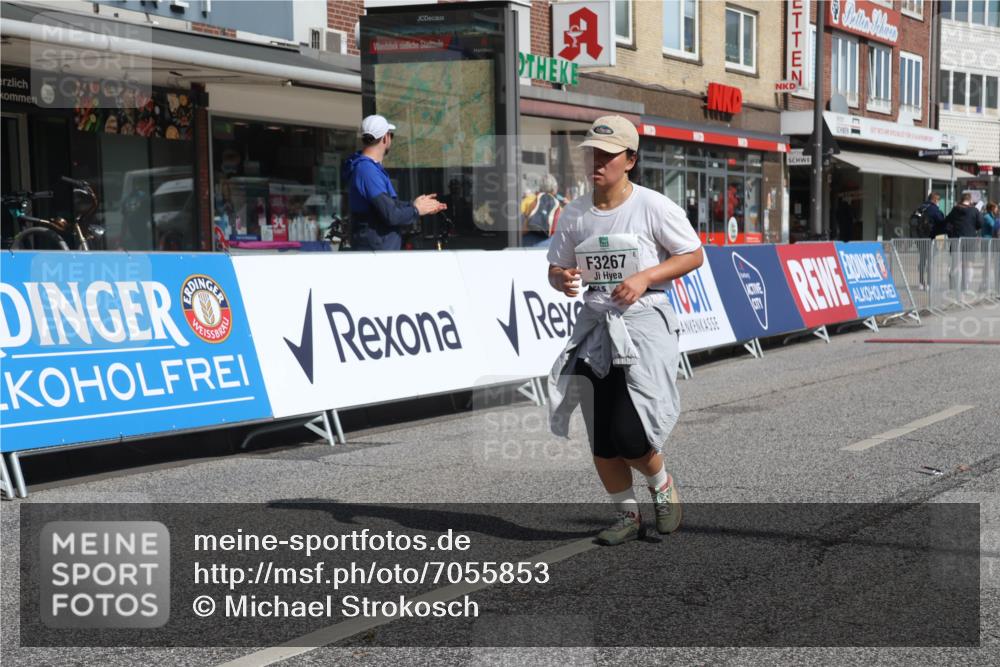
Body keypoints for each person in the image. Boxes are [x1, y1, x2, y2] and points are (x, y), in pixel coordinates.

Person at [546, 115, 704, 546]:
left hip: (643, 324)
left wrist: (644, 278)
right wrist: (561, 279)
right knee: (600, 435)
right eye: (592, 154)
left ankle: (661, 485)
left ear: (630, 159)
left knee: (631, 433)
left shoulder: (652, 206)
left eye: (607, 156)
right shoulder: (575, 213)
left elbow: (692, 255)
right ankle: (627, 516)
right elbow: (555, 267)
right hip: (596, 325)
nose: (596, 162)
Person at [342, 115, 446, 250]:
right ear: (385, 138)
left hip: (378, 251)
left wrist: (414, 205)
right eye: (391, 135)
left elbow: (388, 205)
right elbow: (391, 214)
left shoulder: (368, 168)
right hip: (376, 255)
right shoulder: (367, 170)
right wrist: (416, 210)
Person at [910, 192, 944, 289]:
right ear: (935, 200)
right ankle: (929, 283)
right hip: (929, 238)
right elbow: (941, 220)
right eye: (938, 201)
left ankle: (921, 282)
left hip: (919, 237)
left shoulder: (920, 207)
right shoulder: (933, 209)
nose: (938, 203)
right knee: (930, 260)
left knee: (922, 259)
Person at [522, 174, 562, 247]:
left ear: (540, 187)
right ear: (554, 189)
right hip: (547, 242)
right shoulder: (557, 204)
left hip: (527, 240)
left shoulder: (528, 200)